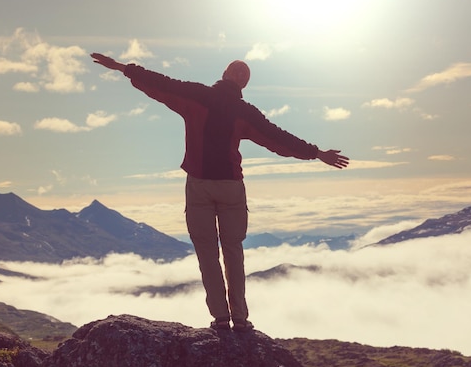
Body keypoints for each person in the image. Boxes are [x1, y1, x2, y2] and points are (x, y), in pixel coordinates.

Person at [91, 53, 349, 332]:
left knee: (207, 254)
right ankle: (239, 317)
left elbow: (161, 84)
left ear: (224, 74)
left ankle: (221, 318)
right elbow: (278, 138)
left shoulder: (197, 95)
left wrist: (122, 68)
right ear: (243, 84)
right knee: (233, 252)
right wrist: (316, 153)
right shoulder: (246, 112)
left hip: (199, 186)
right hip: (231, 188)